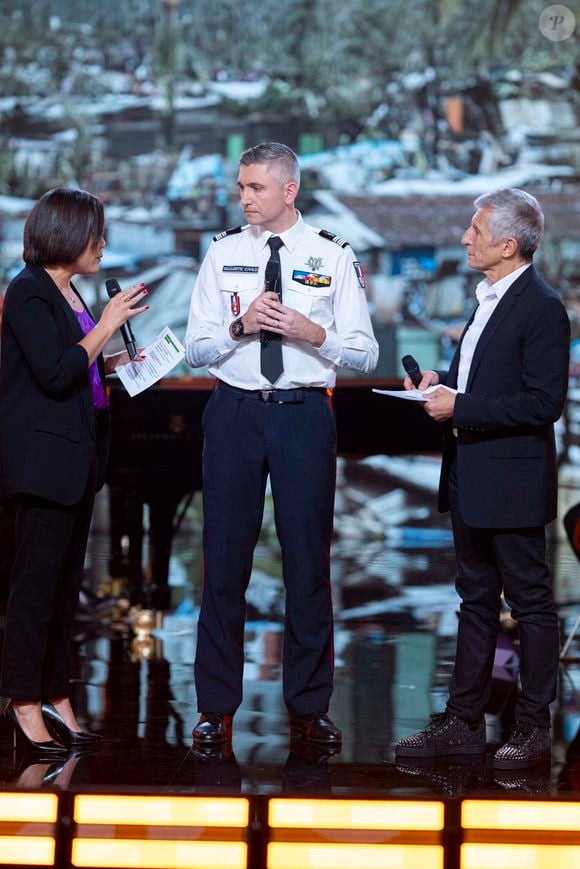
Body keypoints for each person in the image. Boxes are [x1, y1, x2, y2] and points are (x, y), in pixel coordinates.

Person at [185, 142, 378, 746]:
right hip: (235, 411)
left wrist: (311, 331)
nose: (244, 198)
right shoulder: (221, 254)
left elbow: (365, 351)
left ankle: (308, 708)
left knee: (306, 565)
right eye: (241, 188)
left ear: (289, 190)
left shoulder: (332, 255)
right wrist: (241, 328)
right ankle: (214, 710)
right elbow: (196, 349)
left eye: (256, 189)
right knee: (223, 563)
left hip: (302, 415)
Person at [395, 188, 570, 769]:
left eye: (475, 230)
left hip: (512, 483)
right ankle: (462, 723)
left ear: (508, 244)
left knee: (532, 607)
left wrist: (459, 408)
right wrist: (442, 382)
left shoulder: (541, 306)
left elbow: (544, 403)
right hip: (471, 474)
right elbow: (486, 377)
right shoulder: (488, 298)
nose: (465, 238)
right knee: (474, 601)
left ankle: (532, 727)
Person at [0, 187, 148, 755]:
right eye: (96, 233)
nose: (103, 243)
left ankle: (57, 693)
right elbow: (57, 373)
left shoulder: (69, 294)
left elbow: (80, 367)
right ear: (67, 235)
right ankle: (22, 701)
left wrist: (116, 361)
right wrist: (107, 326)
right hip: (43, 464)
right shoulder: (29, 292)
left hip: (77, 459)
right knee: (34, 590)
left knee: (66, 591)